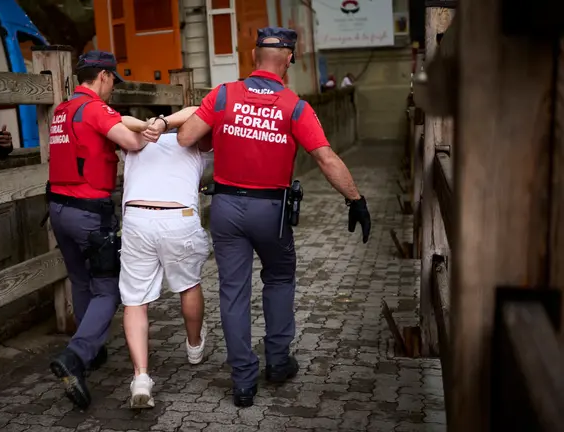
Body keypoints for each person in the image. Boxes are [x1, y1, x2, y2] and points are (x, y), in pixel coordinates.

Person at [177, 27, 372, 408]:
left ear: (254, 55)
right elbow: (325, 157)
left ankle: (243, 382)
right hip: (272, 211)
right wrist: (356, 199)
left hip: (227, 209)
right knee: (279, 278)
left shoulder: (222, 96)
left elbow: (187, 137)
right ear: (289, 60)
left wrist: (212, 132)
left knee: (233, 292)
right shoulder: (295, 106)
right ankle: (278, 362)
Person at [46, 50, 151, 410]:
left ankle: (92, 350)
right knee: (108, 289)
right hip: (89, 213)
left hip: (58, 209)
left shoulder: (62, 110)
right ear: (103, 76)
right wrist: (148, 129)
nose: (112, 89)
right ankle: (75, 356)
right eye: (112, 81)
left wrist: (127, 121)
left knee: (80, 279)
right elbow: (132, 142)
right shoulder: (95, 109)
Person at [117, 108, 212, 408]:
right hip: (178, 217)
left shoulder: (134, 141)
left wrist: (149, 125)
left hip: (137, 217)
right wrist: (164, 122)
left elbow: (117, 120)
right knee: (188, 285)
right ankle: (194, 346)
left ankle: (141, 377)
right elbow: (201, 109)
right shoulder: (195, 142)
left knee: (135, 300)